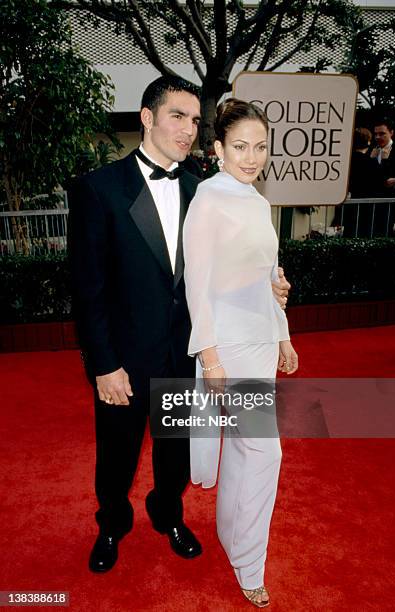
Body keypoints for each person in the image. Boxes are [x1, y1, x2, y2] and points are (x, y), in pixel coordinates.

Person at [68, 76, 291, 574]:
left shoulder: (204, 189)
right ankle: (111, 525)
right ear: (147, 117)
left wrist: (269, 289)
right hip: (124, 361)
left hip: (184, 356)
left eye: (194, 119)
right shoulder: (98, 190)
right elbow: (88, 290)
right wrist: (104, 364)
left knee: (173, 456)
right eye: (176, 116)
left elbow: (225, 269)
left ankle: (167, 515)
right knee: (117, 458)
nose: (187, 129)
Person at [183, 98, 298, 608]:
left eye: (260, 147)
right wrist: (210, 358)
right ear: (218, 149)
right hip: (227, 344)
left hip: (258, 339)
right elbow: (197, 284)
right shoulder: (208, 199)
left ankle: (231, 537)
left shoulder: (257, 199)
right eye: (240, 147)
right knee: (264, 451)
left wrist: (283, 332)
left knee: (245, 452)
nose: (251, 157)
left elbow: (269, 276)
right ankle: (250, 563)